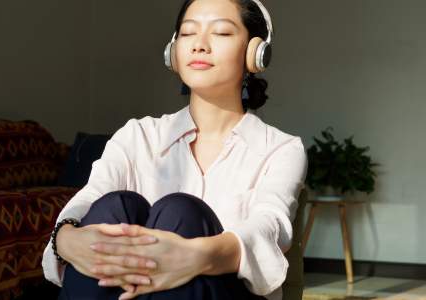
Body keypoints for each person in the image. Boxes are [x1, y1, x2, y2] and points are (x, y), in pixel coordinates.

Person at [42, 0, 308, 299]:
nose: (199, 45)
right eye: (188, 33)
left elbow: (269, 225)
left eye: (221, 33)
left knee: (181, 212)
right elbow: (89, 197)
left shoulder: (281, 149)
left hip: (227, 290)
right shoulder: (137, 135)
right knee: (113, 207)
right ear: (173, 52)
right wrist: (66, 240)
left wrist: (199, 254)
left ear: (255, 53)